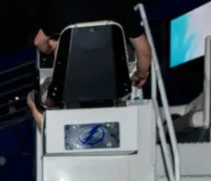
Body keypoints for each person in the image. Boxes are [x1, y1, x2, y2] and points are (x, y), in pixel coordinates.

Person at [27, 0, 153, 128]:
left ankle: (51, 134)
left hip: (69, 88)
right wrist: (141, 74)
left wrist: (52, 47)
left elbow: (39, 42)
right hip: (114, 86)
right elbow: (144, 51)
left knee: (33, 98)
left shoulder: (59, 6)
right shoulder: (121, 5)